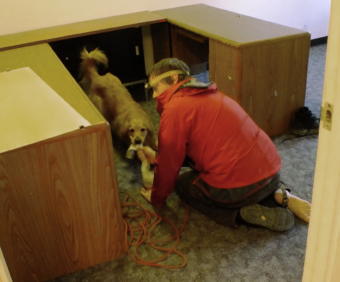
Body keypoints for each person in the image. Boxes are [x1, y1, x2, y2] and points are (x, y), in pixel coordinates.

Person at [137, 58, 311, 231]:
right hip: (272, 173)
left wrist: (156, 198)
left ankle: (240, 214)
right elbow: (193, 148)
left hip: (240, 187)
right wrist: (158, 156)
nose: (154, 96)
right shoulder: (212, 94)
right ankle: (279, 194)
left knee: (183, 185)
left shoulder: (175, 109)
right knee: (229, 167)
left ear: (174, 79)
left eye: (155, 88)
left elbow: (169, 165)